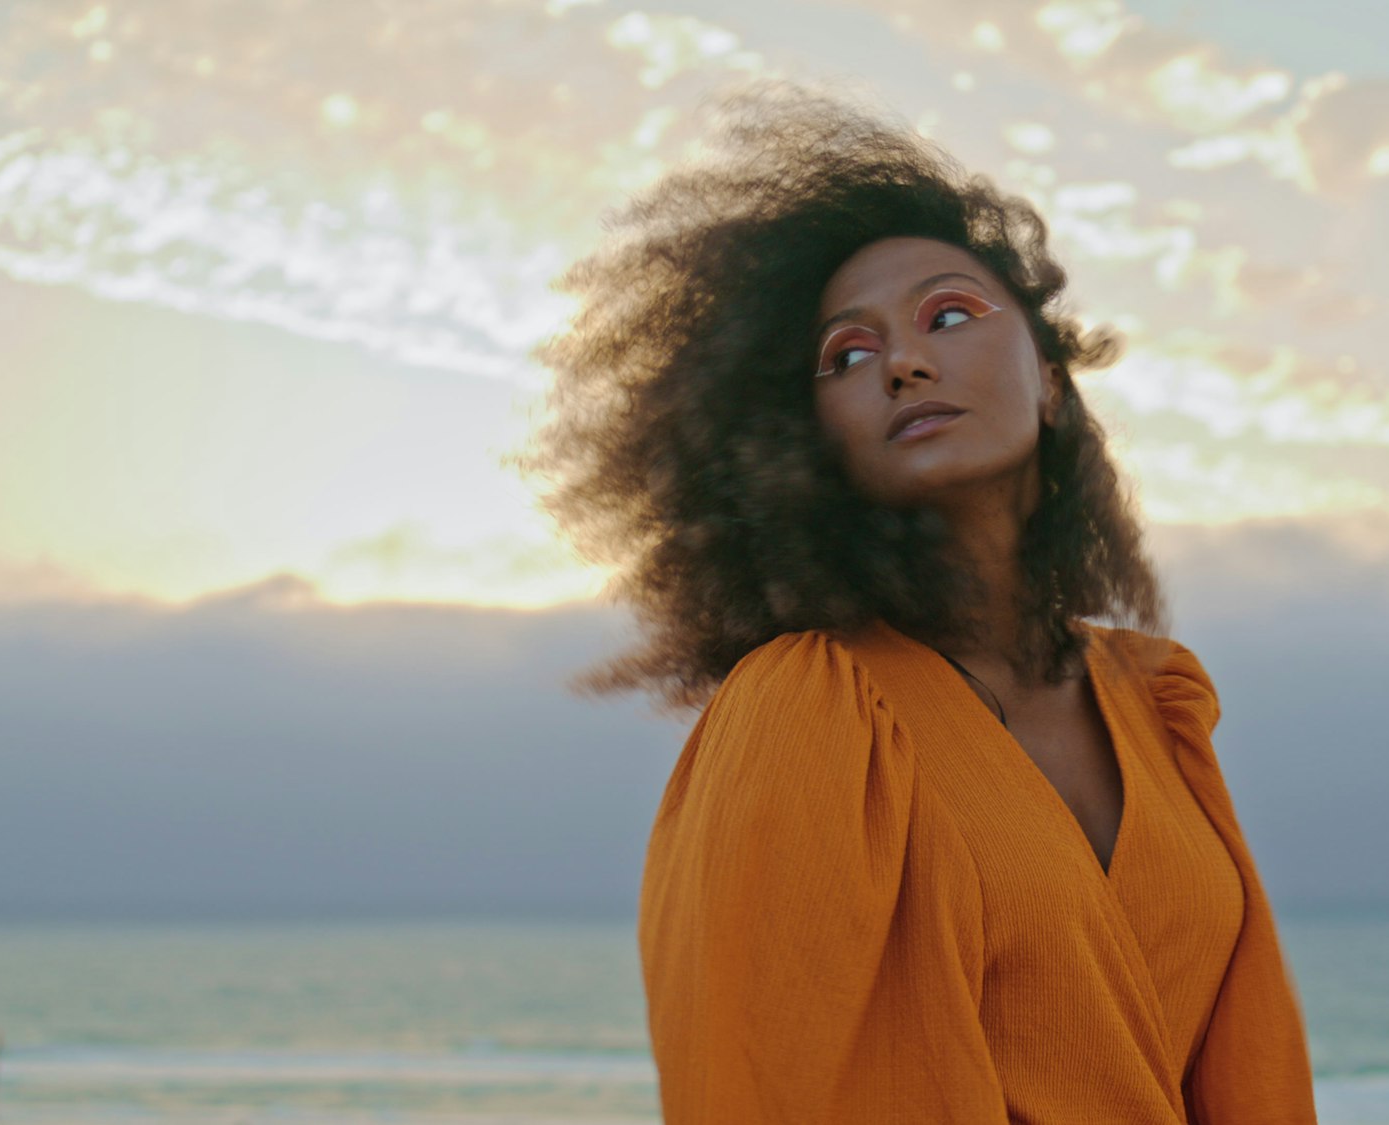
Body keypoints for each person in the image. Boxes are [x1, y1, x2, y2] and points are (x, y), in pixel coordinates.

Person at [515, 78, 1317, 1124]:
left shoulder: (1155, 702)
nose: (903, 360)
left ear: (1053, 383)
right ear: (801, 445)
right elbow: (766, 1081)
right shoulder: (809, 709)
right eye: (845, 355)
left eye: (949, 313)